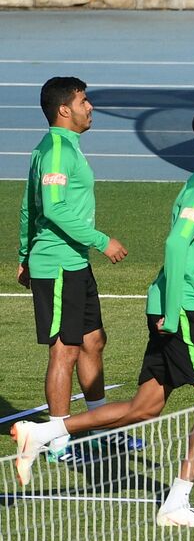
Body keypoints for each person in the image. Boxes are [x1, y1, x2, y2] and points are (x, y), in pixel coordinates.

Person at [13, 106, 194, 527]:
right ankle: (176, 502)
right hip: (182, 308)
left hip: (177, 301)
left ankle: (46, 432)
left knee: (144, 408)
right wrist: (175, 313)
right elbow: (176, 246)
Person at [17, 77, 128, 463]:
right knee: (65, 350)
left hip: (73, 262)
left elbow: (28, 205)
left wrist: (22, 253)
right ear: (64, 109)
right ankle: (59, 441)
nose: (90, 107)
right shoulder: (57, 152)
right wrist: (103, 241)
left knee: (93, 339)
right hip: (60, 263)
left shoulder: (62, 147)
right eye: (84, 101)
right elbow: (51, 207)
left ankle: (96, 428)